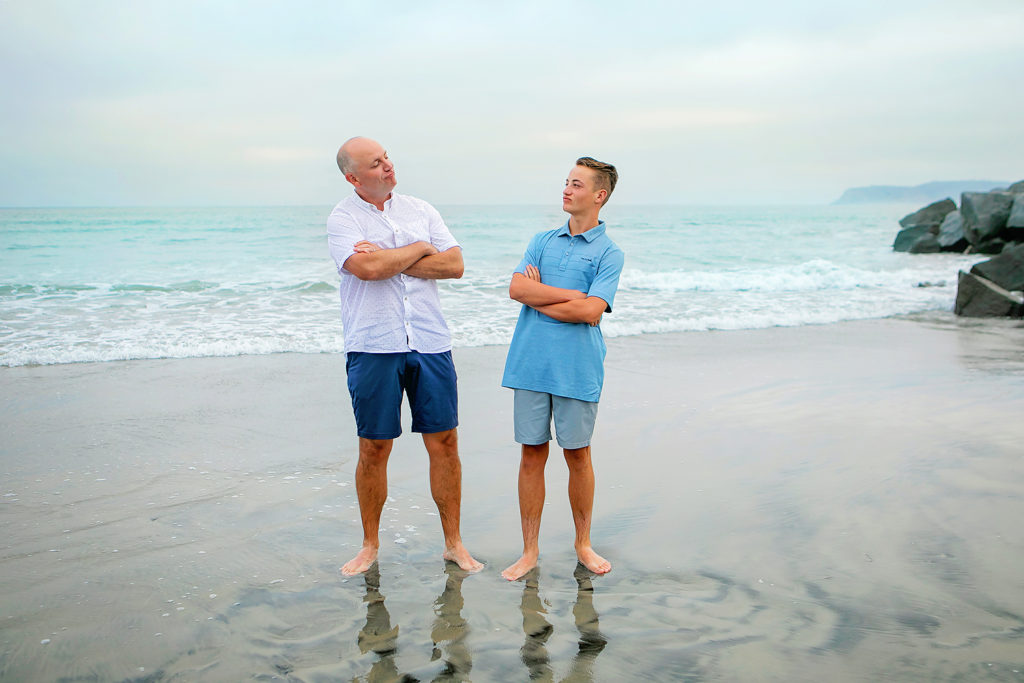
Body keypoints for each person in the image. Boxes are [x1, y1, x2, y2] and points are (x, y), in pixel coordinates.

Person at [326, 136, 482, 576]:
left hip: (431, 341)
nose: (388, 166)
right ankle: (369, 545)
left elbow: (454, 266)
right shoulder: (343, 219)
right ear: (353, 177)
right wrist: (418, 248)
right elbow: (367, 270)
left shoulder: (421, 209)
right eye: (376, 164)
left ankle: (454, 543)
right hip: (373, 344)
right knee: (374, 447)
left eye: (387, 157)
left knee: (445, 443)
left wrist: (390, 256)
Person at [500, 157, 624, 581]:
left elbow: (591, 311)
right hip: (530, 362)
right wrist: (565, 295)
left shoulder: (610, 253)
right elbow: (517, 287)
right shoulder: (541, 240)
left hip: (578, 368)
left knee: (578, 455)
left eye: (575, 184)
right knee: (531, 454)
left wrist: (541, 295)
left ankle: (583, 544)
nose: (566, 190)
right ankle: (529, 550)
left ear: (598, 195)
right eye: (566, 182)